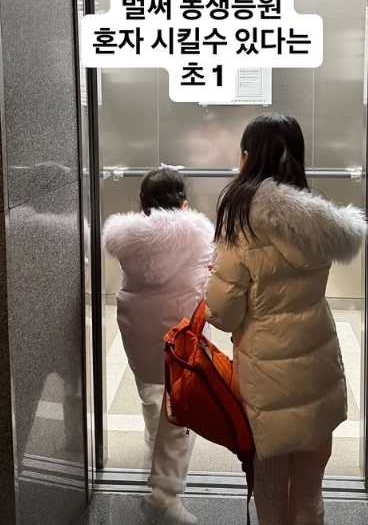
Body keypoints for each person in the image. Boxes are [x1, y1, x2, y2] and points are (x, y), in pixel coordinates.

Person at [204, 112, 368, 525]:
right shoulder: (320, 220)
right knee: (310, 489)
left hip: (266, 376)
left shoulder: (241, 219)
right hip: (318, 364)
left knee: (271, 489)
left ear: (247, 158)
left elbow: (223, 313)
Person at [103, 165, 214, 525]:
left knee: (152, 394)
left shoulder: (127, 241)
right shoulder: (197, 236)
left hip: (137, 333)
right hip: (179, 338)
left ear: (143, 205)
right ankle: (164, 494)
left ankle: (153, 447)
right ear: (183, 204)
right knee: (181, 411)